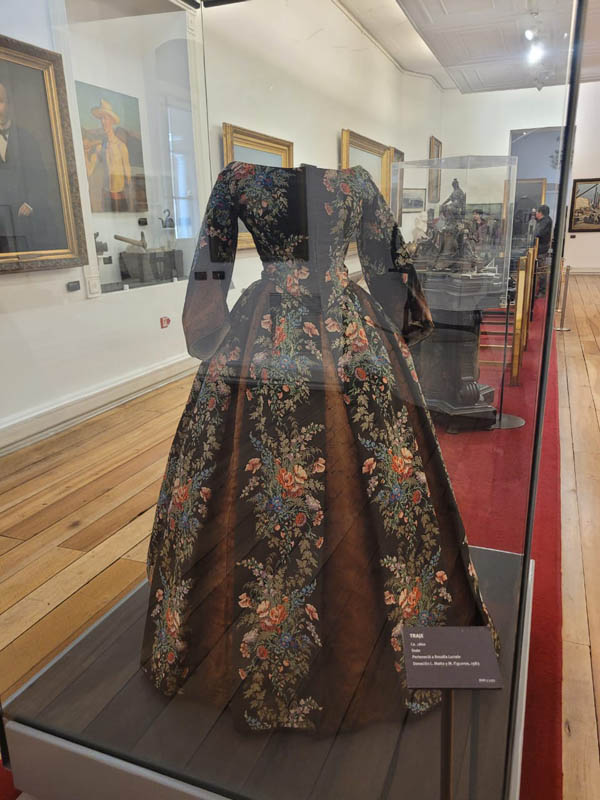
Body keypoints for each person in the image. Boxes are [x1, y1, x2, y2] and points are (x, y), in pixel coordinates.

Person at [0, 78, 65, 252]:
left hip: (26, 218)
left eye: (0, 101)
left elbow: (40, 177)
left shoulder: (26, 138)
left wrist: (30, 203)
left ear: (9, 105)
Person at [85, 99, 132, 212]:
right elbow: (89, 171)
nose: (102, 122)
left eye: (105, 118)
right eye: (101, 119)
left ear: (111, 120)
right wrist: (84, 153)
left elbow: (128, 175)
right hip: (106, 196)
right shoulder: (100, 147)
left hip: (119, 196)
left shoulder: (121, 147)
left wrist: (131, 202)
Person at [533, 204, 553, 296]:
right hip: (541, 248)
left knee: (541, 270)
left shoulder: (545, 221)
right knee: (541, 269)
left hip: (541, 249)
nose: (535, 214)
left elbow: (538, 233)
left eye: (537, 212)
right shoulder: (545, 220)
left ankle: (542, 291)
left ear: (540, 213)